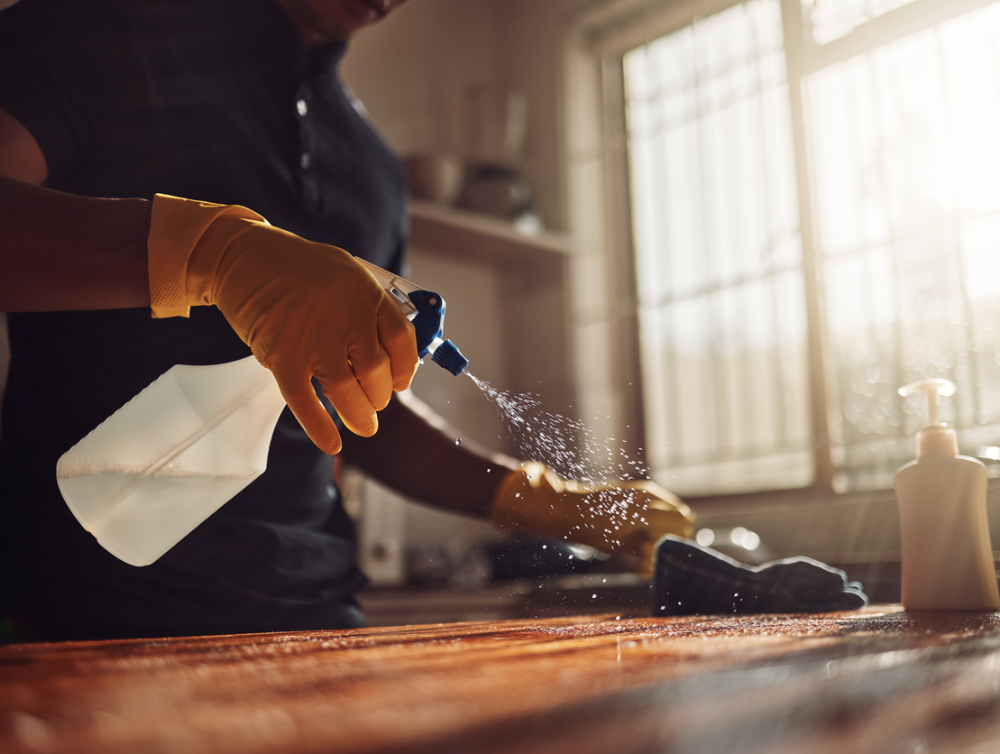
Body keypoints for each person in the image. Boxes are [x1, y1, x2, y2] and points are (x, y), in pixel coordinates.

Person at [0, 0, 694, 642]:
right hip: (83, 612)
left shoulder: (373, 170)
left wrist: (539, 498)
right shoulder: (101, 29)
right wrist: (209, 252)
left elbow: (359, 404)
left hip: (317, 615)